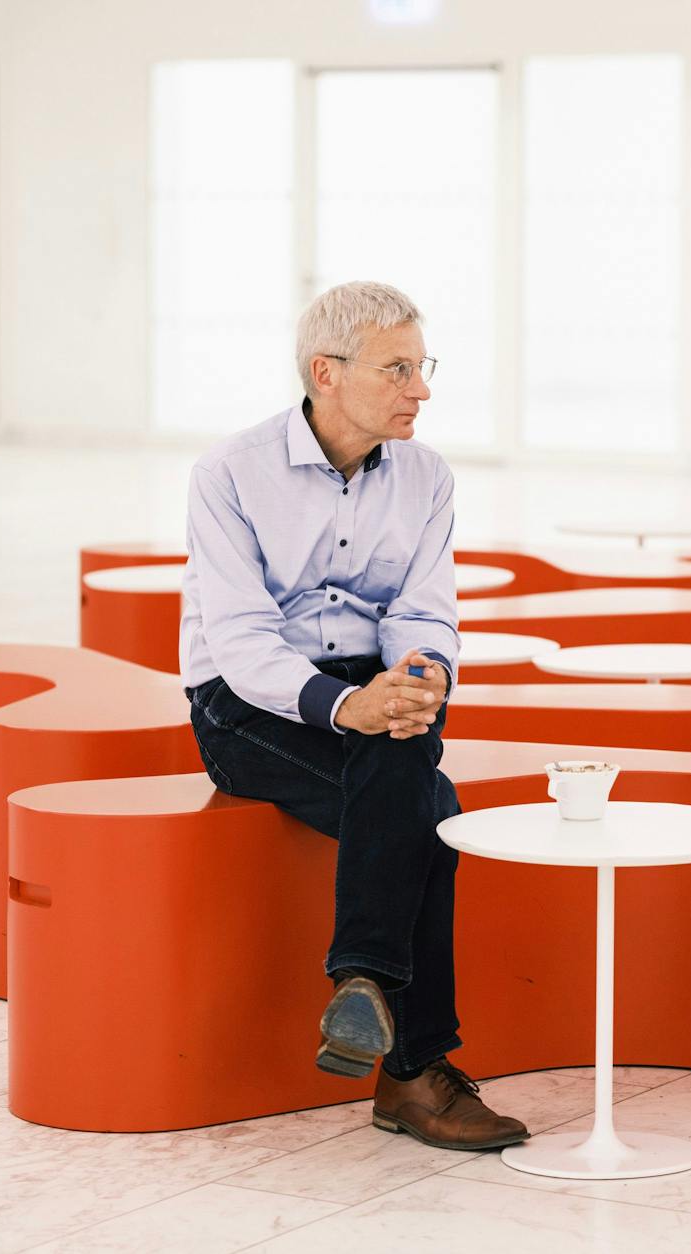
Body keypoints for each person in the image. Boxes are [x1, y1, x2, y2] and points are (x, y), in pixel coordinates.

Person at [179, 281, 528, 1152]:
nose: (422, 390)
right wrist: (346, 706)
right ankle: (413, 1073)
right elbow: (244, 641)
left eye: (424, 366)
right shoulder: (229, 473)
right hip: (249, 703)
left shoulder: (427, 474)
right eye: (399, 369)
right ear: (325, 373)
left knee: (406, 766)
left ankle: (366, 989)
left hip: (376, 687)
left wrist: (420, 675)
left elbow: (425, 605)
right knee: (429, 811)